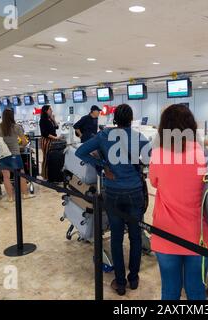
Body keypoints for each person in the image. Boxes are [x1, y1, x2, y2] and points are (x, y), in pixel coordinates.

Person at [149, 104, 208, 300]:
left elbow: (155, 182)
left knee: (170, 291)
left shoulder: (157, 154)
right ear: (192, 125)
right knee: (196, 291)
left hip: (166, 232)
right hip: (200, 233)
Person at [75, 104, 150, 296]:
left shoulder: (103, 136)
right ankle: (133, 278)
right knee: (135, 236)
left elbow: (80, 152)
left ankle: (120, 282)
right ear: (131, 119)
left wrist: (103, 165)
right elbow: (150, 160)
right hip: (134, 192)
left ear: (115, 118)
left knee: (116, 238)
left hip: (113, 192)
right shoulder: (139, 137)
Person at [0, 109, 35, 202]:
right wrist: (20, 146)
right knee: (21, 174)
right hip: (15, 154)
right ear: (12, 116)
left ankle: (10, 197)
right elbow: (24, 142)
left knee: (6, 176)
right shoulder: (17, 127)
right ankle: (25, 194)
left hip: (2, 154)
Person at [39, 105, 60, 180]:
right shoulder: (42, 120)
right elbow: (44, 133)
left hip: (52, 140)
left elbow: (57, 127)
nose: (52, 110)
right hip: (46, 141)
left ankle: (51, 174)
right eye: (50, 109)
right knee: (47, 157)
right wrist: (55, 137)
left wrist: (53, 119)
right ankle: (45, 175)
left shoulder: (49, 119)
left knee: (52, 158)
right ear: (46, 111)